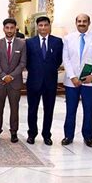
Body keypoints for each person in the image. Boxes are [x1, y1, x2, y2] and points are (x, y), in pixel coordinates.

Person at [61, 14, 92, 147]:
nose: (82, 23)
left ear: (89, 22)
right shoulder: (68, 38)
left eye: (84, 21)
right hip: (72, 81)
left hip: (90, 81)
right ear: (75, 23)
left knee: (89, 110)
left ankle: (88, 137)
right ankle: (68, 136)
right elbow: (66, 58)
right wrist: (73, 77)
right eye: (79, 21)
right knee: (70, 110)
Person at [25, 16, 63, 146]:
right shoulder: (29, 42)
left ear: (49, 26)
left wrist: (48, 70)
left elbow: (58, 60)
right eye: (40, 25)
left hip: (50, 82)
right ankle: (32, 134)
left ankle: (47, 135)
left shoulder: (57, 42)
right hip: (34, 82)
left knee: (49, 110)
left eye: (45, 25)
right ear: (37, 27)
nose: (43, 28)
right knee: (32, 109)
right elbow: (27, 62)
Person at [0, 18, 26, 143]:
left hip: (15, 82)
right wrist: (3, 76)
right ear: (4, 29)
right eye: (7, 28)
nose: (9, 30)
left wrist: (11, 76)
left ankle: (14, 132)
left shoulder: (22, 44)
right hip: (0, 82)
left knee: (14, 109)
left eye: (12, 28)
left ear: (15, 28)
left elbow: (22, 63)